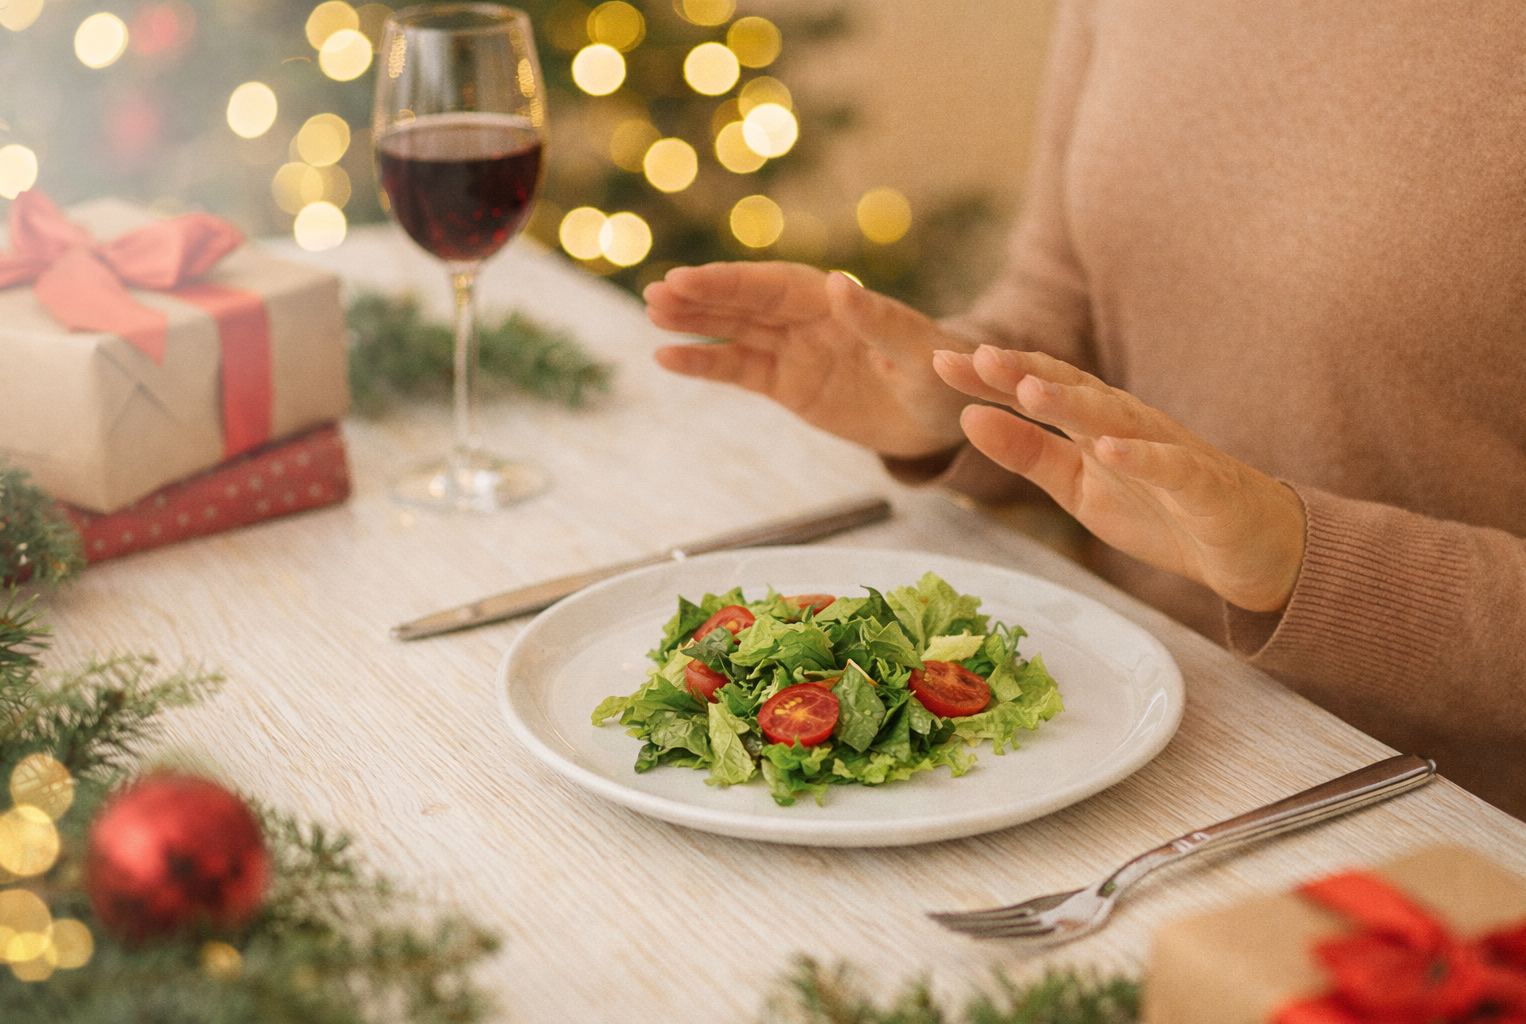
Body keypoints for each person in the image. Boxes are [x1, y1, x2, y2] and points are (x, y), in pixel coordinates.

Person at [643, 0, 1526, 819]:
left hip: (1434, 808)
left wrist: (1306, 566)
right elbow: (1064, 289)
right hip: (1109, 716)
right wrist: (953, 397)